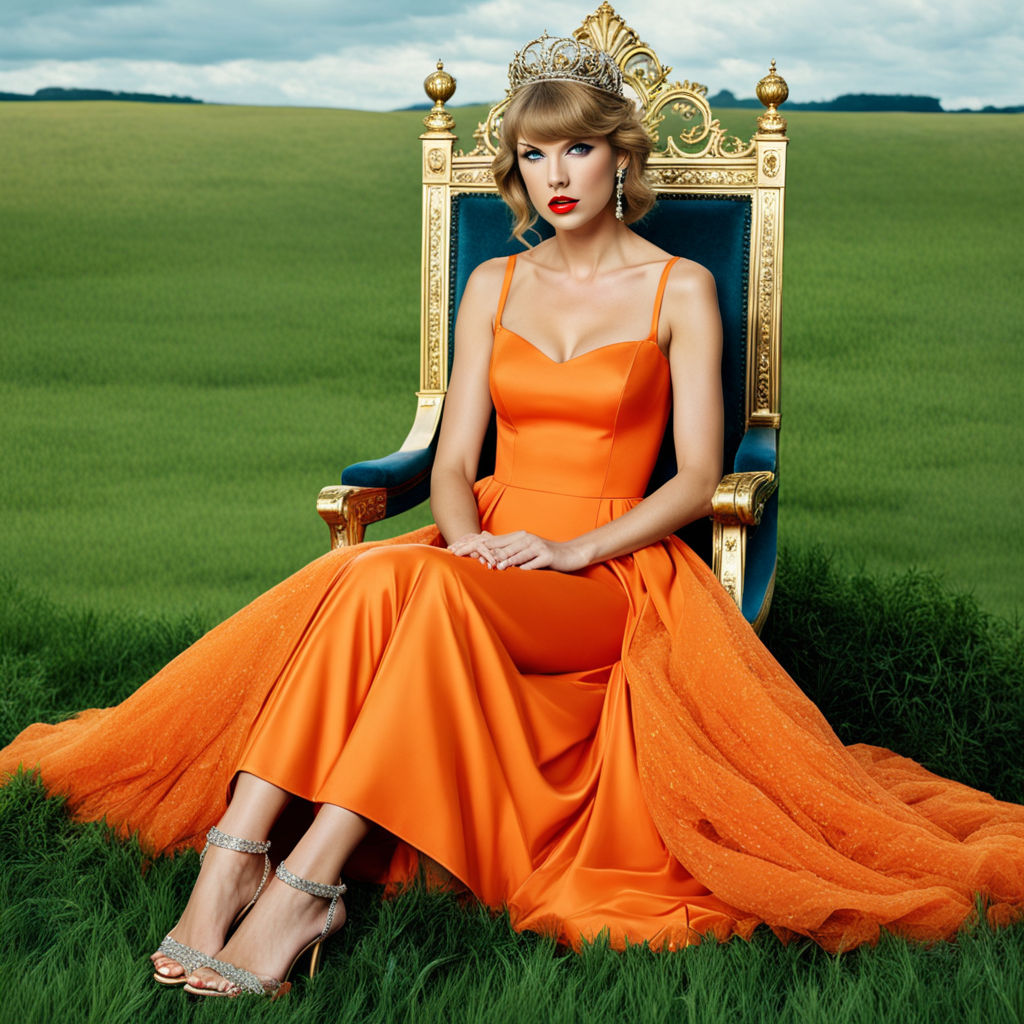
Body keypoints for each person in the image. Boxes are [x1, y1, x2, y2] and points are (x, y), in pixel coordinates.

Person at [3, 32, 1024, 999]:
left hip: (611, 570)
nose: (558, 173)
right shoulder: (493, 282)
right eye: (536, 153)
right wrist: (466, 537)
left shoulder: (681, 288)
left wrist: (571, 546)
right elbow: (453, 460)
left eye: (578, 146)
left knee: (419, 598)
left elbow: (698, 475)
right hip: (486, 538)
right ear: (517, 169)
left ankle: (305, 883)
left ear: (618, 156)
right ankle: (236, 857)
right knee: (366, 576)